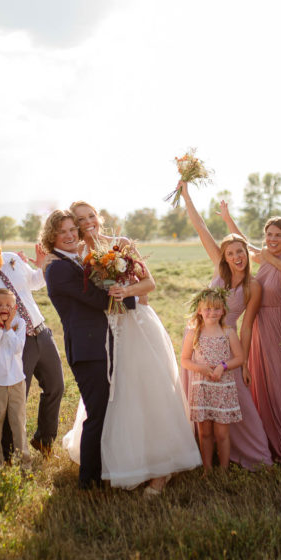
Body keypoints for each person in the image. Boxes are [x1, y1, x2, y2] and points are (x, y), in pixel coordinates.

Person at [66, 201, 200, 494]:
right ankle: (119, 461)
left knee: (147, 390)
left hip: (137, 323)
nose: (88, 222)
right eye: (80, 219)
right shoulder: (77, 256)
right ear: (73, 225)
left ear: (98, 218)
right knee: (114, 394)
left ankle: (160, 468)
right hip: (104, 330)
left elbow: (149, 284)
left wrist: (126, 290)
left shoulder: (122, 244)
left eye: (91, 216)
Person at [178, 182, 271, 469]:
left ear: (246, 252)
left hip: (226, 344)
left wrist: (242, 363)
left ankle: (249, 453)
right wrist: (187, 197)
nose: (236, 258)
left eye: (240, 252)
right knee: (196, 394)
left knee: (238, 400)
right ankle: (199, 451)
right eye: (230, 253)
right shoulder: (219, 266)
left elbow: (246, 327)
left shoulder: (252, 286)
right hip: (198, 342)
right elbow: (201, 228)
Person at [42, 209, 133, 489]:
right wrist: (128, 297)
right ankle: (89, 482)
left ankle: (102, 470)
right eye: (63, 232)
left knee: (106, 409)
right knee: (98, 412)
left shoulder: (76, 261)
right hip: (86, 348)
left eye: (72, 230)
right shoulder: (58, 268)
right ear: (52, 237)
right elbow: (92, 298)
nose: (70, 235)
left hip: (98, 343)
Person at [0, 225, 64, 459]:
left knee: (56, 387)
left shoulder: (12, 260)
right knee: (15, 399)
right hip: (16, 343)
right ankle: (7, 454)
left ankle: (43, 440)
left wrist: (41, 267)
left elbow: (34, 283)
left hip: (41, 332)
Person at [220, 207, 281, 463]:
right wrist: (227, 219)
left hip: (278, 327)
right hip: (256, 326)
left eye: (278, 235)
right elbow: (243, 245)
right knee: (260, 384)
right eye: (268, 235)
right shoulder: (265, 258)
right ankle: (265, 439)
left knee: (277, 385)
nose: (272, 239)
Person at [181, 288, 245, 472]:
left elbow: (239, 358)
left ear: (223, 310)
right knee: (205, 432)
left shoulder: (228, 332)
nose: (212, 312)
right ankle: (207, 469)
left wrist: (222, 366)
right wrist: (200, 368)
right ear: (199, 310)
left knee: (222, 433)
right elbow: (184, 360)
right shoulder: (194, 332)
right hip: (201, 388)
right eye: (207, 309)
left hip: (223, 388)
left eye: (217, 308)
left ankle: (223, 470)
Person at [0, 289, 30, 472]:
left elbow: (18, 348)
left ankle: (25, 464)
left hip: (17, 381)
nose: (4, 308)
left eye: (9, 305)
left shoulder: (20, 323)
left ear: (15, 308)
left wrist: (8, 327)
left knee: (18, 423)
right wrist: (0, 327)